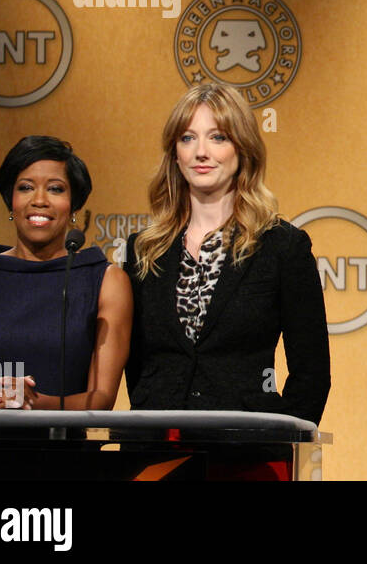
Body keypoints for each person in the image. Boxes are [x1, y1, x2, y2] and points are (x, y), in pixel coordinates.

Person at [124, 83, 330, 425]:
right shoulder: (144, 249)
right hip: (156, 450)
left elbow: (312, 372)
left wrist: (281, 436)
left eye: (218, 137)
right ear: (175, 153)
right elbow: (138, 364)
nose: (200, 152)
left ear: (243, 148)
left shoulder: (282, 247)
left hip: (246, 451)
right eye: (187, 138)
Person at [0, 136, 132, 410]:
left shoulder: (106, 281)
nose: (39, 200)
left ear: (73, 204)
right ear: (11, 200)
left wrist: (28, 402)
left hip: (65, 451)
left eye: (55, 189)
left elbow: (100, 399)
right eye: (26, 187)